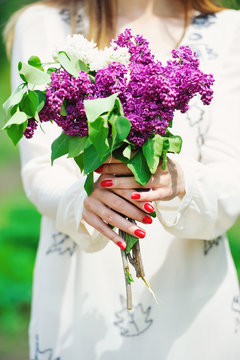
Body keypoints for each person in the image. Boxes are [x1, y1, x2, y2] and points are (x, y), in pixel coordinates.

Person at [4, 0, 240, 358]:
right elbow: (40, 169)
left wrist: (177, 181)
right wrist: (83, 203)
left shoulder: (228, 31)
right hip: (80, 300)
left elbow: (230, 183)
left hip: (192, 309)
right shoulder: (44, 24)